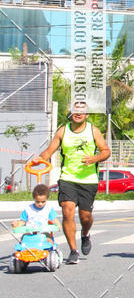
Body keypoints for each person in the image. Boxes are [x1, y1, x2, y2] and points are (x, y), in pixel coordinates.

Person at [39, 102, 110, 265]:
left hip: (88, 180)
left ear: (86, 115)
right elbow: (48, 151)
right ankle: (73, 250)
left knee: (85, 216)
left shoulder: (93, 131)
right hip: (67, 178)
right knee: (67, 210)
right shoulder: (63, 131)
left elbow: (106, 151)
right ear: (71, 113)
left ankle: (85, 234)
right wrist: (39, 159)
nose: (78, 113)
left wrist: (95, 158)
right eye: (75, 110)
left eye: (81, 111)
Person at [12, 183, 61, 269]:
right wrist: (16, 224)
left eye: (43, 202)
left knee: (49, 240)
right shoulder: (28, 209)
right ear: (34, 198)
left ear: (47, 199)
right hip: (30, 232)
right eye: (37, 201)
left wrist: (58, 225)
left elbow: (54, 220)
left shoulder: (48, 209)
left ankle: (52, 252)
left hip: (43, 232)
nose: (40, 204)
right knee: (23, 240)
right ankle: (22, 255)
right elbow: (22, 221)